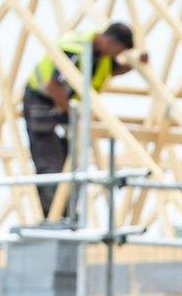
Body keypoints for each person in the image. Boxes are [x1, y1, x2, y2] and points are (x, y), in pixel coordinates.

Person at [21, 21, 146, 218]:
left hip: (64, 107)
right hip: (42, 101)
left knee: (69, 161)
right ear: (110, 42)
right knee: (50, 163)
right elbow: (53, 85)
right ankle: (53, 217)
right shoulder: (76, 49)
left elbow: (115, 69)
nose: (116, 56)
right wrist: (71, 114)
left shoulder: (102, 56)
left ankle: (65, 215)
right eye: (118, 50)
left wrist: (135, 62)